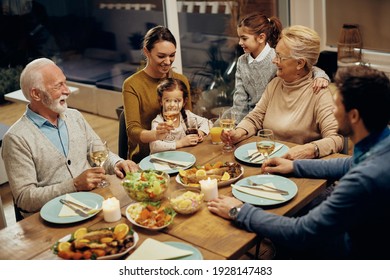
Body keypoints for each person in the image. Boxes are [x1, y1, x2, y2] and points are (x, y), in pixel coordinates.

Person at [208, 65, 390, 259]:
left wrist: (239, 211)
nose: (333, 112)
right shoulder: (381, 144)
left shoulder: (364, 179)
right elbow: (349, 163)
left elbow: (301, 233)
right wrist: (294, 166)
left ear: (354, 116)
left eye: (336, 106)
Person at [1, 58, 139, 218]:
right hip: (52, 220)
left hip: (94, 204)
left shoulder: (75, 117)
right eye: (58, 86)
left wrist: (117, 163)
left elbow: (100, 152)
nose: (67, 90)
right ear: (36, 94)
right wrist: (73, 185)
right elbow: (25, 199)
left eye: (65, 83)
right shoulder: (16, 139)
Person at [222, 25, 343, 159]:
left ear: (300, 63)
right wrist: (238, 133)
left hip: (296, 166)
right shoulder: (275, 84)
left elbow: (336, 139)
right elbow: (255, 118)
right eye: (275, 54)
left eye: (280, 57)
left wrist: (309, 149)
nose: (274, 61)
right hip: (267, 160)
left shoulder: (319, 93)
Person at [223, 12, 329, 123]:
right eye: (239, 38)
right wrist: (238, 126)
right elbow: (240, 99)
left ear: (261, 38)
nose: (240, 42)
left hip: (272, 115)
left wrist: (321, 76)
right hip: (251, 117)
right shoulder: (242, 61)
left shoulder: (277, 57)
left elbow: (307, 67)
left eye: (244, 38)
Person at [122, 25, 192, 163]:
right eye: (161, 56)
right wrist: (156, 135)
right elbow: (132, 131)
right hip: (147, 158)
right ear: (146, 52)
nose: (167, 62)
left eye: (172, 55)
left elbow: (188, 119)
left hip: (181, 152)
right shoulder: (132, 84)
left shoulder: (181, 80)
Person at [149, 78, 210, 154]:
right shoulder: (158, 122)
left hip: (184, 158)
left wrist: (200, 133)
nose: (172, 105)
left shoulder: (187, 116)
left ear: (184, 102)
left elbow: (207, 122)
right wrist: (181, 143)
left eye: (177, 101)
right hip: (163, 162)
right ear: (161, 101)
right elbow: (154, 146)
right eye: (167, 100)